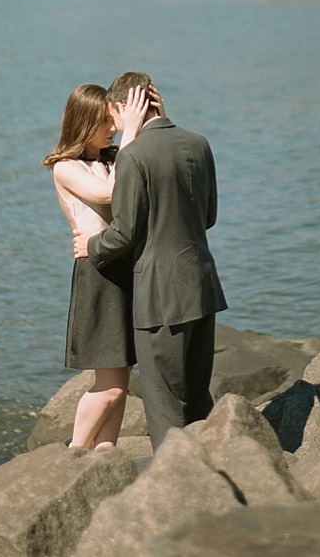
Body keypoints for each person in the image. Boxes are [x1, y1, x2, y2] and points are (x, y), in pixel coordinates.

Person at [73, 71, 227, 449]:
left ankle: (174, 488)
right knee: (197, 397)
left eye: (113, 113)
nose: (112, 123)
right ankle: (212, 480)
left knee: (165, 406)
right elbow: (208, 217)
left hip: (160, 298)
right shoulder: (199, 143)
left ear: (126, 106)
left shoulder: (134, 155)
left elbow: (124, 233)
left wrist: (91, 246)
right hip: (202, 288)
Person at [44, 82, 150, 450]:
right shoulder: (64, 166)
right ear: (82, 122)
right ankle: (73, 455)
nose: (114, 127)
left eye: (114, 120)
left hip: (123, 268)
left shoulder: (114, 157)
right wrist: (133, 131)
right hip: (99, 273)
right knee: (111, 385)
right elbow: (108, 194)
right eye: (105, 121)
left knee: (122, 377)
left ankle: (105, 453)